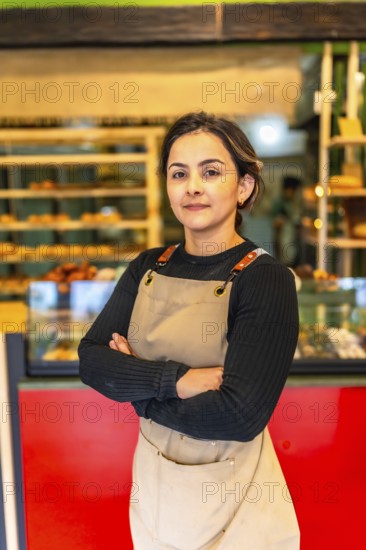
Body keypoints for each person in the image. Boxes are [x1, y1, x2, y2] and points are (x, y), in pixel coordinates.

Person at [78, 111, 300, 550]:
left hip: (235, 510)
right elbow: (92, 360)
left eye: (211, 172)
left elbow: (239, 415)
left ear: (244, 187)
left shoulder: (264, 278)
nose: (192, 186)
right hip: (155, 492)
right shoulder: (146, 266)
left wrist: (138, 389)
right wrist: (177, 381)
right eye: (179, 173)